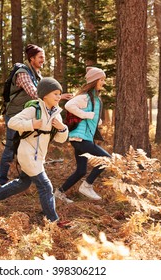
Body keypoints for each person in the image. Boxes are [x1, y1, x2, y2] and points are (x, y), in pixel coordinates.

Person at [0, 77, 69, 225]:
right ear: (45, 95)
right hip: (27, 154)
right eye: (55, 93)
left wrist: (62, 128)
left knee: (23, 183)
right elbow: (12, 122)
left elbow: (60, 139)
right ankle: (53, 220)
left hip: (39, 157)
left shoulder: (56, 114)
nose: (59, 97)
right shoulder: (34, 109)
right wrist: (32, 123)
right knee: (45, 186)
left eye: (60, 94)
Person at [0, 44, 72, 186]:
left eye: (44, 57)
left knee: (28, 144)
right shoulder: (23, 73)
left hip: (29, 116)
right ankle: (1, 181)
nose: (43, 60)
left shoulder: (37, 75)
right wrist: (58, 97)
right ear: (31, 58)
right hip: (16, 115)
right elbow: (35, 94)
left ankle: (26, 178)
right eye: (40, 57)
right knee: (10, 148)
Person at [54, 67, 111, 204]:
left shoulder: (95, 98)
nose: (103, 82)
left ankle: (59, 193)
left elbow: (91, 115)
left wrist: (96, 120)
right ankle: (87, 185)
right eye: (101, 80)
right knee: (106, 159)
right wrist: (86, 115)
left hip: (81, 139)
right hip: (81, 139)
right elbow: (69, 105)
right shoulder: (85, 97)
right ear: (94, 81)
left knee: (81, 170)